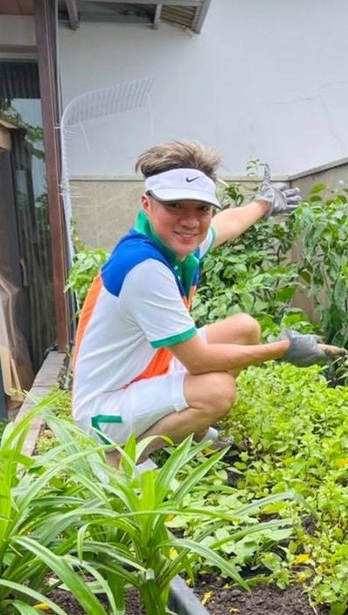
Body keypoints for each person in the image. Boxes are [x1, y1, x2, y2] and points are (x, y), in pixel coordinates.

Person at [71, 140, 334, 464]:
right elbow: (198, 360)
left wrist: (264, 204)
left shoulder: (173, 243)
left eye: (201, 208)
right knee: (216, 391)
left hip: (145, 371)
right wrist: (282, 350)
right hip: (103, 413)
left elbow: (229, 224)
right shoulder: (144, 268)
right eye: (175, 206)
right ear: (147, 204)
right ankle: (124, 457)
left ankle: (191, 431)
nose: (190, 221)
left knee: (244, 328)